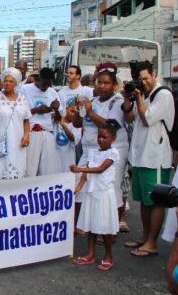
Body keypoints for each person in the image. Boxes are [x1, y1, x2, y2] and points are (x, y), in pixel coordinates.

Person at [122, 61, 175, 257]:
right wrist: (128, 98)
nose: (143, 82)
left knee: (156, 200)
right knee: (145, 201)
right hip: (140, 156)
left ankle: (152, 243)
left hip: (156, 157)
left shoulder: (163, 95)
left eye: (145, 78)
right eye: (140, 79)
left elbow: (147, 118)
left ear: (153, 75)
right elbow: (130, 118)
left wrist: (138, 97)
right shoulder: (142, 95)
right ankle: (145, 237)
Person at [73, 67, 129, 235]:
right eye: (100, 82)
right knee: (80, 186)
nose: (102, 86)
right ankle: (82, 225)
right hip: (89, 150)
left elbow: (111, 127)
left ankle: (110, 230)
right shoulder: (94, 101)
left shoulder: (117, 101)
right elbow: (77, 124)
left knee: (109, 190)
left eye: (107, 83)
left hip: (111, 151)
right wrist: (79, 110)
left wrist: (90, 112)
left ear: (114, 85)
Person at [70, 120, 121, 271]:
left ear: (113, 138)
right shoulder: (93, 152)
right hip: (91, 193)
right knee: (91, 225)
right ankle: (90, 254)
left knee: (104, 226)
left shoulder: (113, 153)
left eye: (104, 137)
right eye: (99, 136)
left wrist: (79, 169)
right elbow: (87, 173)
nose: (100, 139)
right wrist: (78, 187)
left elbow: (99, 169)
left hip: (104, 193)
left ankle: (108, 255)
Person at [22, 67, 62, 177]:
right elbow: (18, 113)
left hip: (48, 132)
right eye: (44, 84)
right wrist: (37, 110)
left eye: (48, 85)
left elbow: (58, 119)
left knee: (48, 169)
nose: (46, 87)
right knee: (30, 169)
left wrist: (56, 109)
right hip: (31, 132)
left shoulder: (52, 92)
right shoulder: (25, 89)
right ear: (39, 78)